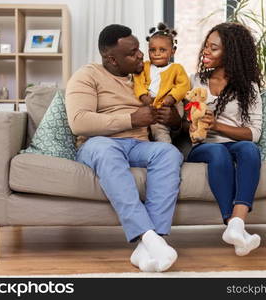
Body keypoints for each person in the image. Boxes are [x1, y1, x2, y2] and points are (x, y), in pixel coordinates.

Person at [65, 24, 184, 272]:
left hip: (140, 145)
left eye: (139, 49)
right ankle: (150, 237)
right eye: (132, 53)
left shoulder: (145, 78)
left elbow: (174, 108)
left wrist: (174, 122)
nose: (141, 55)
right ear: (112, 59)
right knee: (107, 152)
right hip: (100, 143)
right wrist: (131, 119)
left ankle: (146, 247)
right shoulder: (87, 75)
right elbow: (79, 122)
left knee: (169, 153)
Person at [186, 22, 263, 256]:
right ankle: (232, 225)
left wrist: (217, 125)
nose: (206, 51)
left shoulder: (248, 88)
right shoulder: (194, 81)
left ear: (230, 53)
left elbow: (253, 133)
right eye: (206, 46)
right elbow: (180, 124)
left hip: (236, 144)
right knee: (219, 152)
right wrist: (192, 121)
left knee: (250, 150)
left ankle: (237, 225)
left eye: (214, 48)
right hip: (204, 146)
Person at [133, 22, 190, 143]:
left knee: (160, 129)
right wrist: (143, 95)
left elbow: (184, 85)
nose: (157, 53)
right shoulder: (144, 67)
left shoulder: (177, 68)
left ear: (173, 51)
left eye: (162, 50)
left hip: (169, 103)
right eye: (152, 50)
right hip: (149, 101)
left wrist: (172, 97)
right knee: (143, 124)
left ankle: (165, 147)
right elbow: (138, 82)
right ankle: (143, 145)